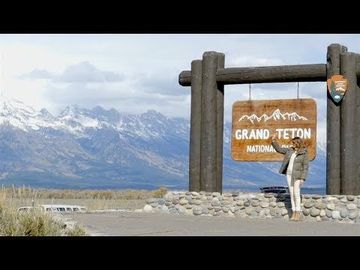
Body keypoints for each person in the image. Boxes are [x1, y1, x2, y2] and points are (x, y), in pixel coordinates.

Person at [271, 134, 309, 221]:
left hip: (298, 176)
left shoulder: (304, 153)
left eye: (293, 143)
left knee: (296, 194)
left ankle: (298, 213)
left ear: (297, 143)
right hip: (289, 174)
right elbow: (279, 149)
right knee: (291, 194)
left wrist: (303, 178)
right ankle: (293, 212)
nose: (292, 144)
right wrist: (273, 141)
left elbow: (305, 167)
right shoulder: (289, 150)